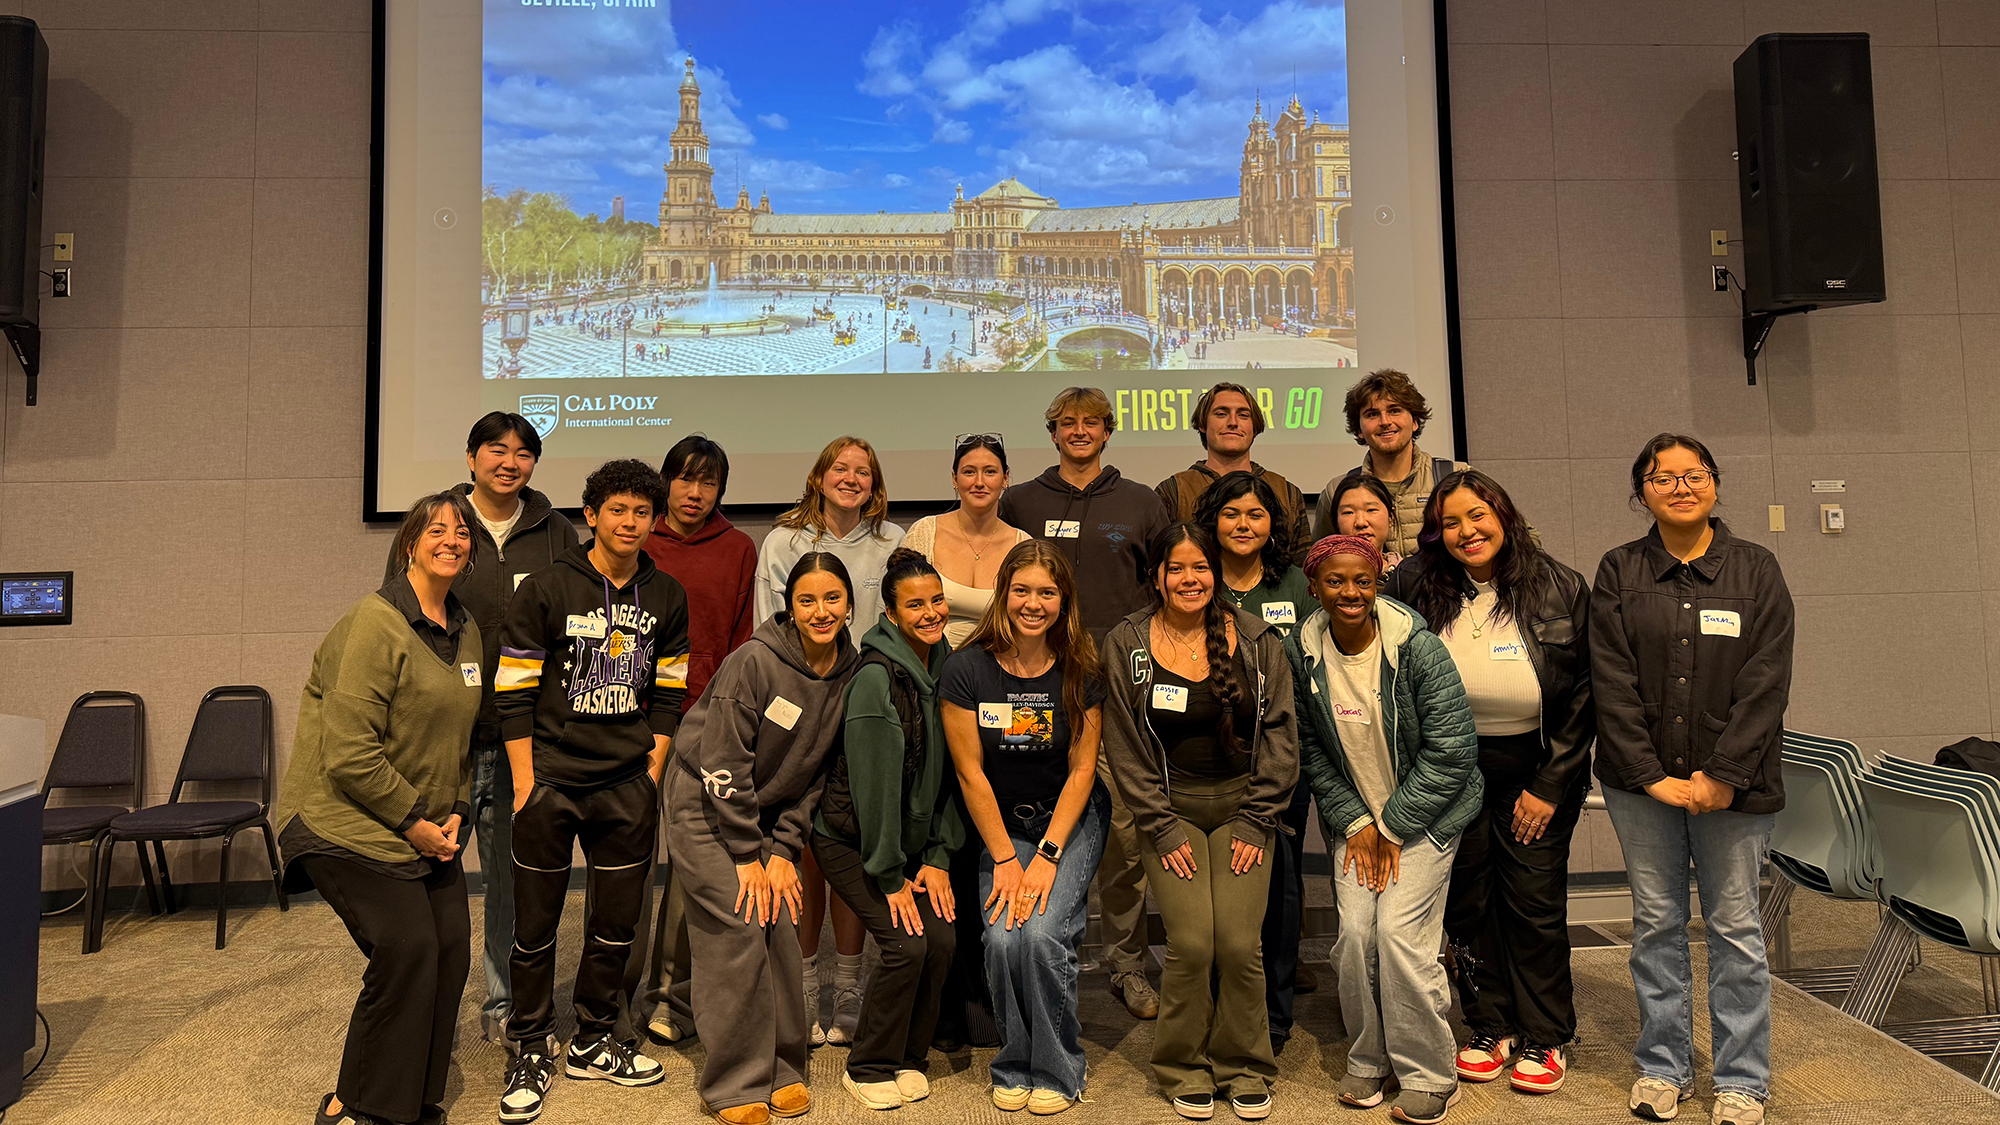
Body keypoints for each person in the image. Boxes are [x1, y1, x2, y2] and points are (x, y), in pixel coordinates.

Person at [1591, 435, 1793, 1125]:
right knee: (1657, 924)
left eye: (1694, 474)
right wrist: (1651, 775)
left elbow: (1767, 681)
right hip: (1638, 786)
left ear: (1713, 483)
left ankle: (1742, 1079)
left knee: (1736, 927)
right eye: (1663, 476)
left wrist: (1722, 774)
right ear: (1641, 490)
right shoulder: (1619, 570)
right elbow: (1609, 680)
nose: (1680, 485)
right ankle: (1663, 1066)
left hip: (1734, 789)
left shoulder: (1756, 568)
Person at [494, 460, 690, 1125]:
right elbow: (513, 689)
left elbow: (669, 690)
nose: (629, 522)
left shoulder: (666, 593)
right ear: (592, 515)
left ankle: (593, 1037)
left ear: (652, 521)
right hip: (549, 784)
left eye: (641, 512)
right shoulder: (548, 587)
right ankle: (527, 1045)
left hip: (626, 786)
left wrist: (652, 770)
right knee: (534, 927)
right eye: (617, 510)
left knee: (615, 926)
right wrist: (524, 781)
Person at [1386, 470, 1594, 1095]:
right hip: (1449, 769)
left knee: (1532, 903)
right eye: (1450, 522)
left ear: (1503, 515)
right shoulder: (1416, 586)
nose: (1466, 532)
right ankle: (1489, 1025)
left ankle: (1546, 1035)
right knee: (1468, 901)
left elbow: (1583, 694)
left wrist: (1553, 783)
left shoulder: (1560, 585)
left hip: (1534, 770)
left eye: (1477, 516)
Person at [282, 491, 483, 1125]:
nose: (451, 539)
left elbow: (461, 739)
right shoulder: (373, 622)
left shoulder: (467, 629)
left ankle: (412, 1100)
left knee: (450, 948)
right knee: (408, 946)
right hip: (340, 821)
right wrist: (413, 822)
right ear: (408, 545)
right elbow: (347, 754)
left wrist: (453, 810)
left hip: (423, 823)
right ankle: (358, 1104)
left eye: (463, 531)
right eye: (436, 529)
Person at [380, 412, 579, 1046]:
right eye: (497, 450)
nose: (510, 462)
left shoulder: (557, 533)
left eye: (524, 453)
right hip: (442, 739)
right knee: (422, 876)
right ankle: (416, 1006)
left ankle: (507, 1006)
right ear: (471, 457)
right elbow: (396, 619)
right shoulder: (440, 526)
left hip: (521, 740)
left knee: (511, 882)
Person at [1100, 524, 1298, 1121]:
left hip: (1244, 809)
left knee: (1239, 944)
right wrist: (1158, 825)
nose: (1190, 580)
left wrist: (1257, 818)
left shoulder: (1259, 641)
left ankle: (1244, 1065)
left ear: (1216, 574)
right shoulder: (1127, 643)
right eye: (1176, 569)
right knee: (1190, 943)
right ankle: (1183, 1066)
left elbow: (1283, 735)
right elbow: (1124, 745)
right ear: (1155, 576)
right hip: (1169, 811)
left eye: (1201, 569)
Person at [1287, 534, 1480, 1125]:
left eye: (1362, 582)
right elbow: (1313, 750)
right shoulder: (1303, 650)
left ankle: (1427, 1070)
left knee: (1399, 935)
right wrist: (1356, 822)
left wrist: (1391, 827)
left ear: (1377, 585)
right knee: (1353, 939)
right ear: (1315, 588)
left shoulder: (1415, 648)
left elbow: (1452, 752)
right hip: (1357, 822)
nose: (1351, 593)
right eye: (1336, 582)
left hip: (1424, 819)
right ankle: (1369, 1056)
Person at [666, 553, 862, 1125]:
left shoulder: (852, 673)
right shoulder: (753, 663)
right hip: (705, 802)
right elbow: (723, 762)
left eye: (832, 599)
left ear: (849, 604)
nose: (820, 611)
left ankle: (783, 1067)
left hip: (770, 812)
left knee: (779, 924)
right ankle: (734, 1082)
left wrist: (783, 851)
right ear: (790, 606)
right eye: (807, 600)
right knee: (736, 927)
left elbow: (816, 776)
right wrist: (749, 855)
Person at [998, 386, 1170, 1021]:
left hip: (1119, 692)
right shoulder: (1020, 501)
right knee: (1038, 824)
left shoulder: (1140, 502)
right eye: (1066, 423)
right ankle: (1041, 958)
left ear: (1108, 431)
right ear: (1052, 433)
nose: (1078, 431)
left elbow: (1166, 588)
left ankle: (1125, 963)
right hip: (1035, 689)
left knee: (1123, 830)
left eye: (1090, 423)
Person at [940, 541, 1111, 1115]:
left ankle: (1060, 1068)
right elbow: (970, 774)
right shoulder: (967, 668)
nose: (1032, 603)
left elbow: (1083, 769)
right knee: (1002, 938)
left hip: (1067, 817)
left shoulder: (1081, 666)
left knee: (1041, 937)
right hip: (999, 826)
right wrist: (1009, 861)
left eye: (1046, 592)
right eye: (1022, 590)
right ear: (1002, 595)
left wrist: (1049, 854)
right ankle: (1014, 1062)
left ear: (1063, 601)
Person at [758, 436, 902, 1044]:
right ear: (819, 477)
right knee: (806, 846)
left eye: (862, 471)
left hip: (870, 712)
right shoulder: (782, 541)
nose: (850, 479)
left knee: (852, 843)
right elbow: (770, 631)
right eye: (839, 469)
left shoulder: (893, 543)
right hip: (805, 710)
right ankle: (806, 978)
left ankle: (847, 983)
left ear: (874, 483)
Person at [814, 549, 967, 1111]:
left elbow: (954, 776)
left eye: (936, 600)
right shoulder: (877, 680)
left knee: (943, 940)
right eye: (915, 605)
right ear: (892, 613)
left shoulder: (946, 663)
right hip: (854, 842)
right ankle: (869, 1063)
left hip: (913, 847)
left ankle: (909, 1054)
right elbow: (874, 793)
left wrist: (939, 857)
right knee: (906, 946)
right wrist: (892, 875)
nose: (930, 612)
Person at [636, 435, 759, 1046]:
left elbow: (741, 645)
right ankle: (609, 997)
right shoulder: (635, 540)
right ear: (665, 483)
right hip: (629, 724)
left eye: (707, 481)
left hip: (704, 727)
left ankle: (671, 999)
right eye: (684, 479)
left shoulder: (739, 549)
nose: (694, 492)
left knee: (691, 870)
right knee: (626, 865)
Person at [1193, 471, 1318, 1054]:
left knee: (1278, 895)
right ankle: (1217, 1013)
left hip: (1282, 763)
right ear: (1212, 522)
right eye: (1231, 514)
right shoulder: (1196, 579)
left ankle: (1272, 1019)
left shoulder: (1295, 583)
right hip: (1208, 766)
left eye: (1256, 515)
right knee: (1214, 902)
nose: (1243, 525)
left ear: (1274, 524)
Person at [1312, 369, 1468, 557]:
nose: (1385, 421)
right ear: (1359, 429)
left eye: (1395, 411)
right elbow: (1322, 562)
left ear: (1415, 421)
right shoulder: (1337, 491)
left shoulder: (1457, 477)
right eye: (1372, 414)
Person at [1154, 382, 1313, 566]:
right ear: (1203, 424)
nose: (1233, 422)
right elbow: (1160, 565)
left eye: (1243, 415)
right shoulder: (1174, 491)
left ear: (1255, 427)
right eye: (1221, 414)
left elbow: (1303, 570)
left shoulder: (1287, 492)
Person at [899, 433, 1030, 648]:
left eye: (990, 472)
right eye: (969, 472)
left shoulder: (1022, 546)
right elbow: (900, 608)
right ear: (954, 479)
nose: (979, 482)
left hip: (999, 670)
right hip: (927, 669)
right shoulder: (923, 534)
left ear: (1005, 478)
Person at [1324, 470, 1403, 572]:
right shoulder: (1324, 575)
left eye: (1371, 510)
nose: (1361, 523)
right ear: (1336, 521)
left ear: (1391, 517)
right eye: (1348, 512)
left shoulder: (1409, 575)